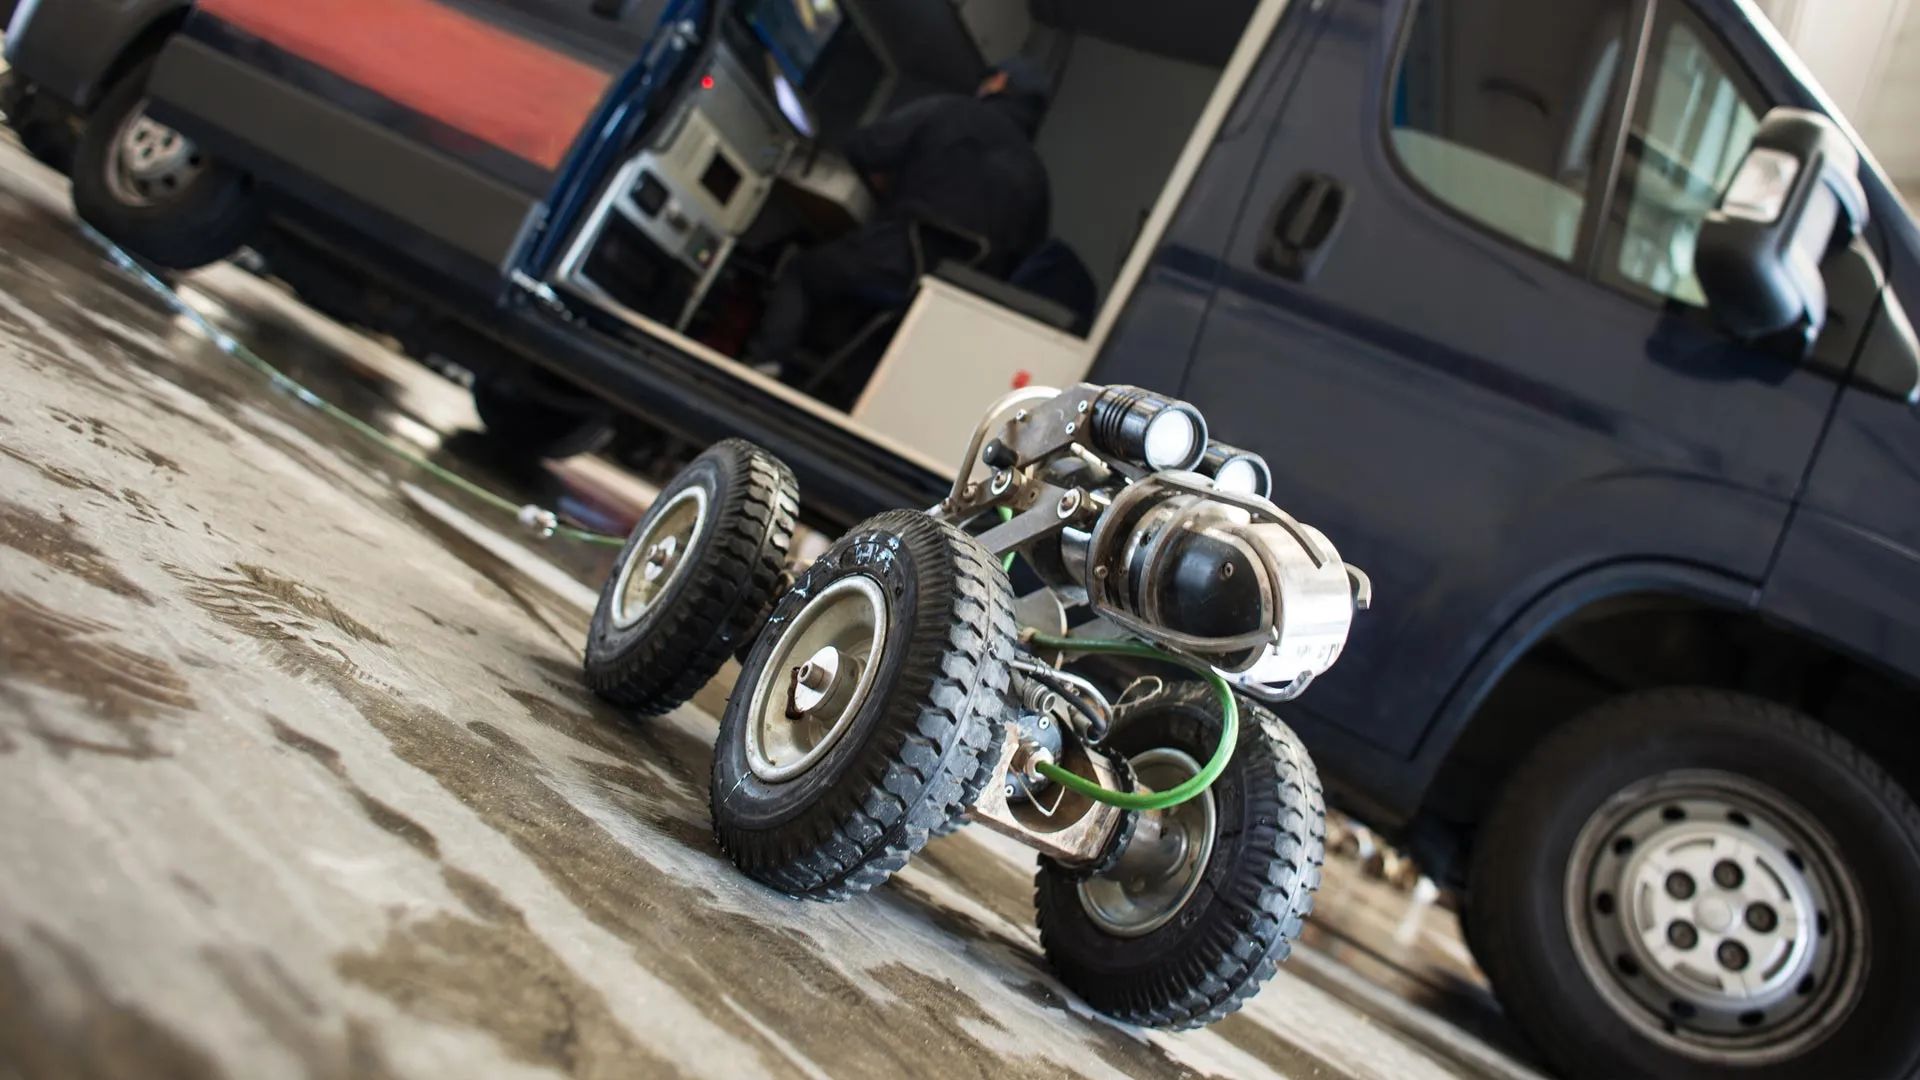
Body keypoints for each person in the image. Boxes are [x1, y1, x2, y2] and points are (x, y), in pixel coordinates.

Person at [746, 59, 1053, 377]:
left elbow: (864, 147)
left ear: (1000, 82)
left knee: (802, 273)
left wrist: (896, 180)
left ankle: (762, 369)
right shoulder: (1037, 180)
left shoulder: (950, 110)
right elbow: (1022, 268)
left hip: (893, 258)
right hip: (942, 314)